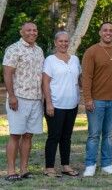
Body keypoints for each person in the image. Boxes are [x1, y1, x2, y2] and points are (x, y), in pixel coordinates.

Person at [3, 21, 45, 181]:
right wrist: (11, 96)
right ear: (22, 32)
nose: (32, 33)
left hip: (35, 98)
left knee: (28, 135)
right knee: (15, 134)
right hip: (19, 98)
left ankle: (24, 169)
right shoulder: (14, 49)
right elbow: (7, 74)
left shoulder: (39, 50)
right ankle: (11, 171)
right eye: (28, 30)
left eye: (35, 30)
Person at [82, 22, 112, 177]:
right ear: (100, 33)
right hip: (96, 100)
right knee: (94, 134)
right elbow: (86, 77)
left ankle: (107, 164)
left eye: (111, 30)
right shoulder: (91, 51)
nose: (108, 33)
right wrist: (88, 99)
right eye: (105, 30)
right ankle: (90, 164)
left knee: (109, 135)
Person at [42, 31, 81, 177]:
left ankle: (65, 165)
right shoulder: (50, 60)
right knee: (54, 136)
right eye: (61, 41)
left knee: (67, 137)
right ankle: (49, 167)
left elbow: (79, 79)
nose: (64, 44)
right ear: (55, 43)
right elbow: (45, 82)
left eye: (66, 41)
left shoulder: (75, 59)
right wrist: (49, 103)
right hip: (55, 105)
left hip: (72, 104)